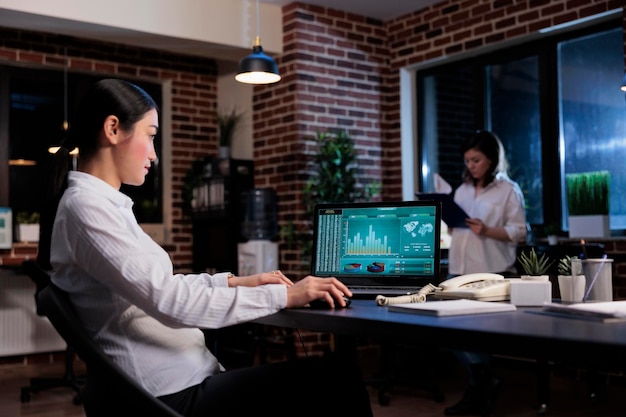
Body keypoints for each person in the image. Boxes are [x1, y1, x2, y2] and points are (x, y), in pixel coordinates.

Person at [37, 78, 373, 417]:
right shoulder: (87, 208)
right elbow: (169, 302)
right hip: (170, 396)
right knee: (338, 377)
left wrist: (232, 281)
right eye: (150, 135)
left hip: (180, 381)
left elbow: (163, 287)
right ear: (113, 129)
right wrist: (286, 296)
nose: (154, 153)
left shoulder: (103, 206)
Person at [444, 130, 527, 416]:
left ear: (492, 160)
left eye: (476, 160)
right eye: (467, 161)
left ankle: (478, 387)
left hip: (491, 273)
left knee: (477, 334)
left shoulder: (508, 190)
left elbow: (520, 232)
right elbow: (455, 228)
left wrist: (487, 230)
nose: (471, 166)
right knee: (444, 328)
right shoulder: (462, 190)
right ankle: (483, 379)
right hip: (458, 270)